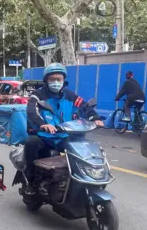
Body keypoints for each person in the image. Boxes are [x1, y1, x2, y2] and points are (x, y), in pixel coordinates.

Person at [24, 63, 103, 194]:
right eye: (52, 79)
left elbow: (84, 107)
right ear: (46, 80)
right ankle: (31, 182)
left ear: (63, 80)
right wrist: (42, 124)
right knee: (31, 143)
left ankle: (80, 180)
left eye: (59, 79)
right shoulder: (37, 96)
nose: (56, 82)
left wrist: (95, 118)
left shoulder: (70, 95)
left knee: (84, 150)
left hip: (64, 136)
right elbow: (32, 112)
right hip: (43, 136)